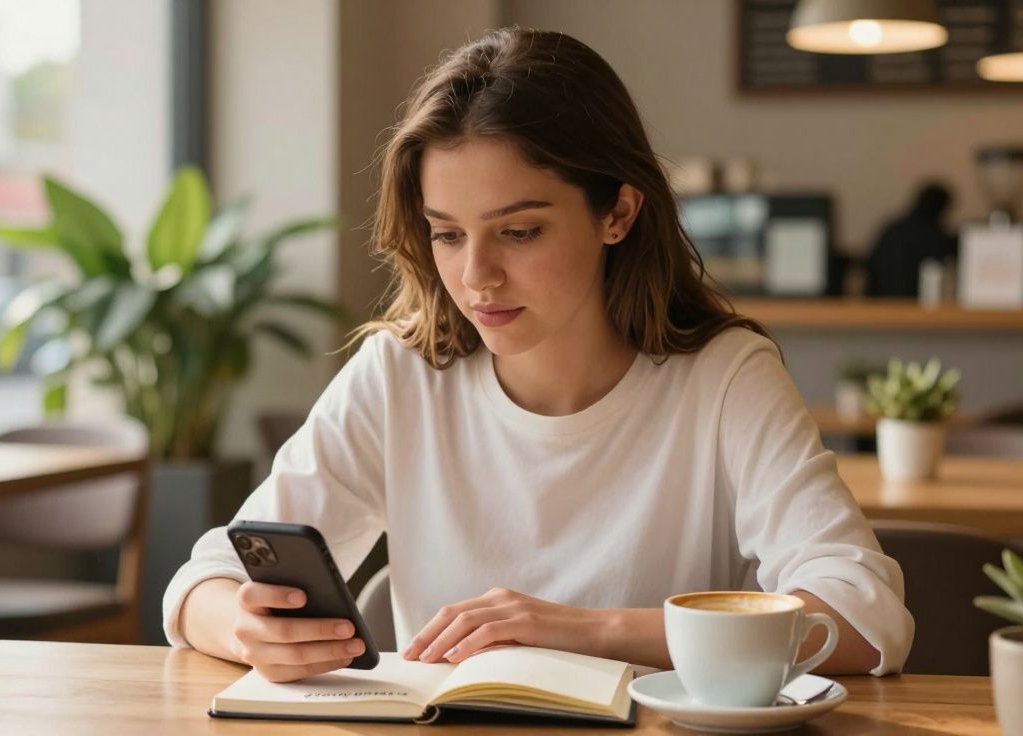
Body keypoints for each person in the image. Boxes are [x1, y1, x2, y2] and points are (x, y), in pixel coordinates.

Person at [163, 28, 913, 684]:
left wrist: (584, 630)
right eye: (448, 234)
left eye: (519, 232)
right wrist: (244, 629)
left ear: (617, 213)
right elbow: (204, 581)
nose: (476, 276)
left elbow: (863, 616)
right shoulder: (400, 375)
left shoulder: (723, 377)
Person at [865, 183, 958, 298]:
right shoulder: (933, 235)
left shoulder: (892, 228)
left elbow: (870, 265)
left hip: (881, 303)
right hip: (914, 306)